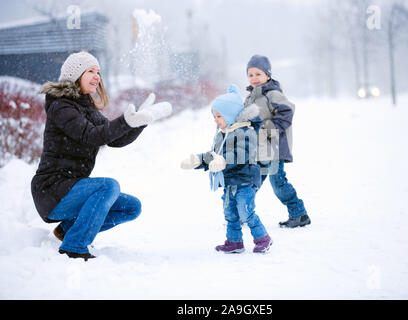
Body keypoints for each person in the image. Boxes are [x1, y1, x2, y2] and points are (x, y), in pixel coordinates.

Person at [31, 51, 172, 261]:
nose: (97, 76)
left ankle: (67, 231)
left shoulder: (86, 107)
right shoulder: (62, 107)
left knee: (131, 207)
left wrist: (139, 122)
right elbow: (91, 136)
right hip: (51, 190)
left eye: (98, 71)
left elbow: (114, 140)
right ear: (75, 75)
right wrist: (125, 121)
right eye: (90, 71)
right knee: (108, 186)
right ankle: (74, 246)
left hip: (71, 188)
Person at [180, 84, 272, 254]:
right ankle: (234, 242)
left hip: (245, 180)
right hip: (229, 180)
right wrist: (198, 160)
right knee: (230, 213)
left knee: (246, 212)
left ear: (230, 114)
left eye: (219, 116)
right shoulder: (223, 133)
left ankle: (263, 238)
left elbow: (241, 153)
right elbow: (215, 155)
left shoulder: (246, 131)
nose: (216, 120)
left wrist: (223, 161)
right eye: (214, 116)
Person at [244, 54, 311, 228]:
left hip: (274, 148)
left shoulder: (272, 93)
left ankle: (299, 214)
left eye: (258, 74)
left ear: (268, 75)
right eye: (250, 75)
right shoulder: (251, 97)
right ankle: (243, 212)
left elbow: (287, 110)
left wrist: (269, 129)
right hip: (259, 149)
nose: (254, 78)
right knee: (253, 181)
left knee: (278, 182)